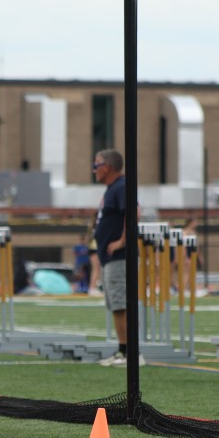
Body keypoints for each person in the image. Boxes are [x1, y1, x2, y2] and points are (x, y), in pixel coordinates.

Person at [93, 149, 142, 368]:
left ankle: (132, 353)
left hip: (120, 257)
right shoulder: (113, 189)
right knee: (116, 305)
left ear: (108, 167)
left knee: (122, 304)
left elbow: (134, 212)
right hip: (110, 258)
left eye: (96, 166)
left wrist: (122, 241)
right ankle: (123, 350)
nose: (94, 170)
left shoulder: (121, 186)